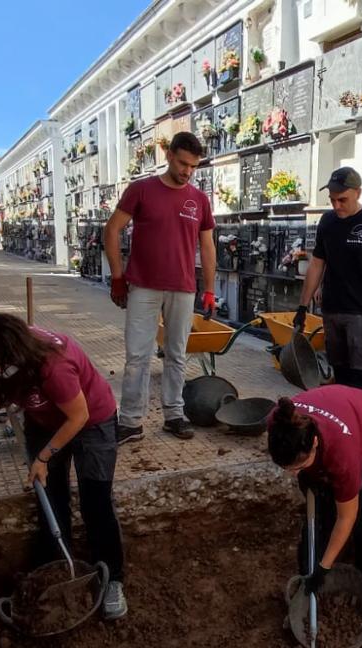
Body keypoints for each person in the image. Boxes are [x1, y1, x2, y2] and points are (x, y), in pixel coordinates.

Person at [0, 312, 128, 619]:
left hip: (92, 420)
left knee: (96, 499)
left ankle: (112, 576)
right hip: (44, 422)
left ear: (14, 351)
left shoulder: (54, 364)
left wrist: (43, 457)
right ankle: (55, 567)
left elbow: (79, 417)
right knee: (49, 494)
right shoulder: (4, 353)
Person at [104, 131, 217, 444]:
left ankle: (173, 415)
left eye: (193, 166)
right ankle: (130, 421)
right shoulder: (141, 190)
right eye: (182, 163)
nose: (187, 171)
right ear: (168, 155)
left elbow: (207, 247)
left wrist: (209, 289)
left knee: (176, 354)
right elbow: (111, 230)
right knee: (137, 356)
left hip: (182, 288)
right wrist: (117, 276)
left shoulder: (199, 200)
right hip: (143, 287)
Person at [267, 386, 362, 643]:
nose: (293, 474)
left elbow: (346, 517)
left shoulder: (343, 456)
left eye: (299, 467)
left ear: (314, 443)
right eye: (287, 469)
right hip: (338, 422)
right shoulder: (279, 422)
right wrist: (306, 472)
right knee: (317, 519)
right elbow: (299, 464)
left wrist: (324, 568)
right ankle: (306, 595)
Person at [293, 167, 362, 393]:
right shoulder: (327, 222)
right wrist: (301, 306)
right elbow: (317, 264)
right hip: (331, 310)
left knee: (360, 380)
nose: (336, 206)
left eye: (342, 200)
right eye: (332, 200)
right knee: (339, 376)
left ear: (358, 192)